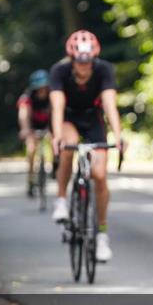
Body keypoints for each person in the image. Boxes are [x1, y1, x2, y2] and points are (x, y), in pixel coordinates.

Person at [49, 30, 126, 263]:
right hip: (69, 117)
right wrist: (57, 136)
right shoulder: (59, 71)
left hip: (93, 118)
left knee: (99, 175)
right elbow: (57, 106)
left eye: (88, 62)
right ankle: (61, 200)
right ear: (72, 60)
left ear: (94, 59)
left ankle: (101, 234)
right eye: (79, 62)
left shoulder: (104, 70)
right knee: (68, 145)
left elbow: (110, 104)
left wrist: (119, 135)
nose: (84, 67)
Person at [17, 69, 53, 196]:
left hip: (48, 125)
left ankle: (55, 164)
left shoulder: (52, 96)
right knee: (31, 149)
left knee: (55, 142)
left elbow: (56, 113)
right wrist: (25, 129)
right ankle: (31, 179)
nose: (42, 90)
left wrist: (54, 130)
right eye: (39, 88)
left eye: (44, 87)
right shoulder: (27, 97)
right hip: (32, 126)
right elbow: (23, 115)